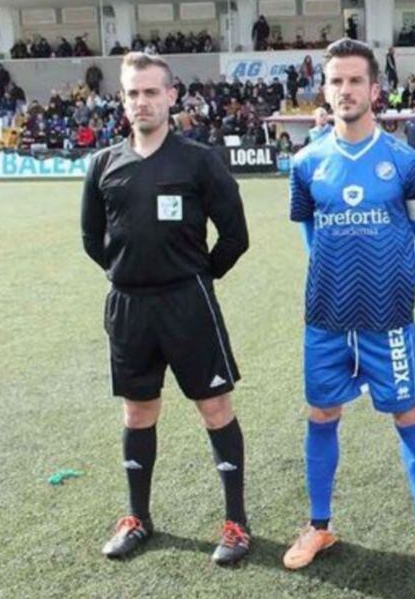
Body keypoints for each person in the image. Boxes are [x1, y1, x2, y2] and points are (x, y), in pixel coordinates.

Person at [282, 38, 415, 574]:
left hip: (388, 318)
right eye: (336, 81)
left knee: (406, 412)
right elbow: (309, 234)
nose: (345, 90)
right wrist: (336, 280)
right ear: (325, 90)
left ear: (374, 89)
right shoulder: (306, 163)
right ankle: (320, 526)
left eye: (355, 81)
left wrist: (395, 285)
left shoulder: (406, 162)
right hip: (326, 318)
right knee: (322, 413)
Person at [80, 52, 251, 565]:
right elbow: (92, 239)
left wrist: (197, 277)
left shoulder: (199, 160)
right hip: (129, 307)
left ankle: (237, 524)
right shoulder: (104, 164)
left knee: (215, 408)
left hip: (188, 305)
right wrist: (129, 273)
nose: (142, 102)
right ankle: (138, 517)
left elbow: (235, 237)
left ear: (171, 96)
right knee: (137, 411)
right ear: (122, 98)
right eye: (132, 93)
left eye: (152, 92)